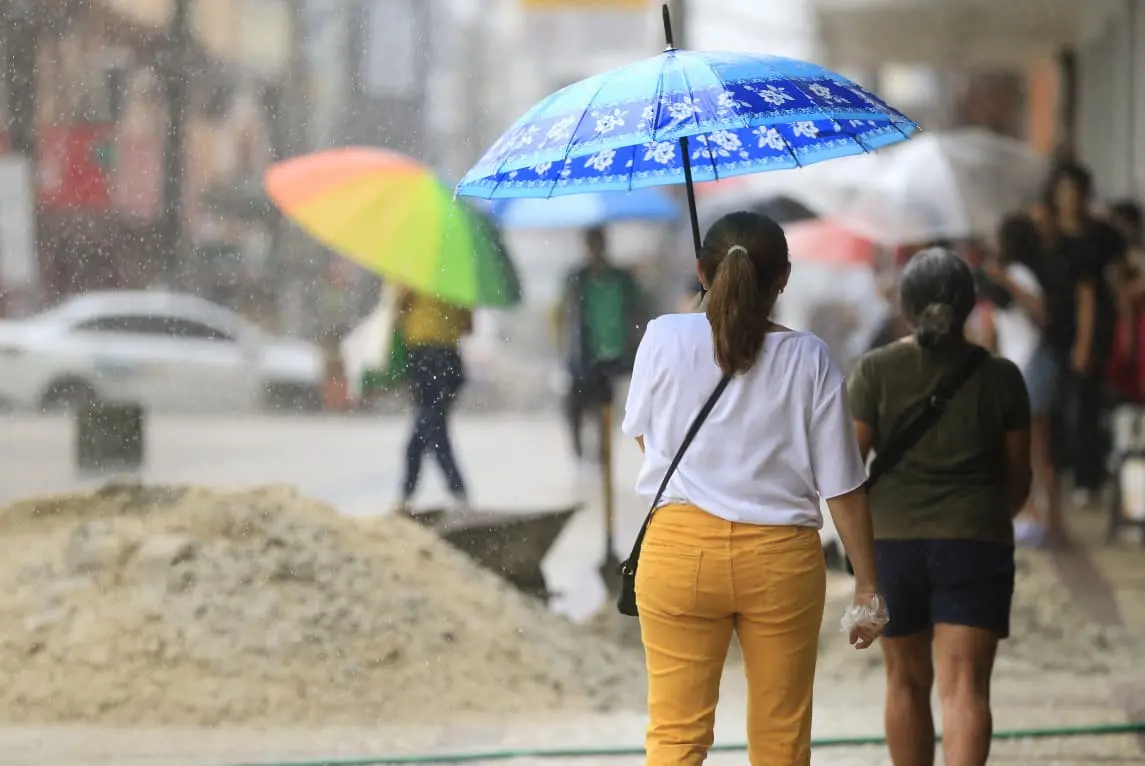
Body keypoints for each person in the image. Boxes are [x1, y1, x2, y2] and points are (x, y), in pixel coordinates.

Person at [622, 211, 884, 766]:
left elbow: (648, 440)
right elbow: (843, 486)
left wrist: (702, 477)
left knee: (675, 737)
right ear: (782, 278)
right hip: (780, 563)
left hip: (677, 554)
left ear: (701, 270)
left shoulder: (663, 338)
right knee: (781, 742)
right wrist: (867, 586)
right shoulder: (809, 357)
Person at [848, 248, 1032, 766]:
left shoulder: (875, 371)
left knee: (905, 682)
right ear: (970, 305)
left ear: (905, 305)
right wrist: (985, 518)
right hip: (976, 540)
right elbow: (1019, 480)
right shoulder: (1002, 378)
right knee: (966, 688)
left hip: (892, 545)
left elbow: (847, 472)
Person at [1044, 162, 1127, 509]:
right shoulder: (1049, 234)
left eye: (1075, 192)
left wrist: (1102, 337)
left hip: (1093, 334)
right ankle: (1060, 473)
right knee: (1056, 407)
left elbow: (1102, 290)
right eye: (1063, 192)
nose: (1069, 200)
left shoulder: (1101, 235)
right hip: (1053, 331)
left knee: (1087, 405)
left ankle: (1087, 476)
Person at [978, 214, 1063, 545]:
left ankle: (1047, 519)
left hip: (1033, 362)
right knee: (1029, 447)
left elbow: (1041, 311)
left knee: (1037, 447)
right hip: (1019, 363)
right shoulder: (1004, 278)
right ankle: (1037, 516)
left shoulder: (1019, 274)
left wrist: (1008, 280)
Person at [557, 227, 646, 466]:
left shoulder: (622, 278)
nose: (595, 249)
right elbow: (564, 314)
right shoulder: (577, 278)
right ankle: (579, 457)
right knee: (575, 407)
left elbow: (640, 307)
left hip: (614, 355)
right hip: (584, 357)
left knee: (604, 410)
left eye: (598, 244)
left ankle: (603, 461)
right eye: (591, 244)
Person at [393, 286, 472, 514]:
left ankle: (411, 496)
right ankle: (456, 494)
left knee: (428, 432)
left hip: (429, 360)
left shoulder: (412, 278)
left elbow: (398, 312)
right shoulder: (455, 281)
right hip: (445, 361)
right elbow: (468, 327)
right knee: (431, 430)